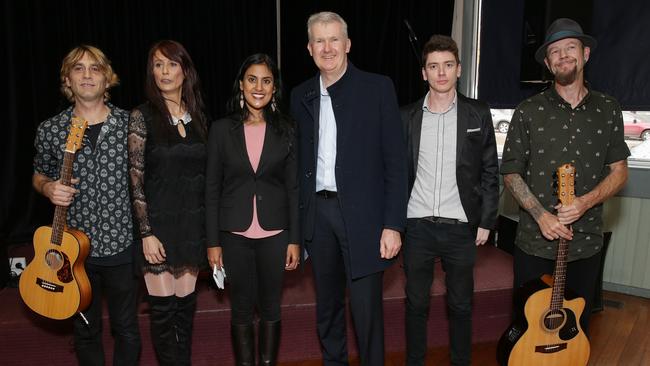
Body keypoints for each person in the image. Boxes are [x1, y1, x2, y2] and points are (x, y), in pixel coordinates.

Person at [290, 11, 408, 365]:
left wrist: (393, 224)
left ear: (348, 45)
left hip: (365, 219)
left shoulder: (378, 88)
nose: (328, 48)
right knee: (327, 309)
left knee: (366, 312)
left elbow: (396, 163)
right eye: (320, 41)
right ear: (310, 48)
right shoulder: (300, 95)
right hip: (318, 217)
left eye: (334, 39)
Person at [501, 18, 630, 333]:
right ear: (547, 63)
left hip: (586, 243)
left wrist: (585, 202)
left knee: (575, 328)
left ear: (585, 54)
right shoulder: (527, 111)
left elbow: (620, 171)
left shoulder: (609, 109)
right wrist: (541, 215)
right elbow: (510, 172)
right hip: (535, 242)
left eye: (570, 48)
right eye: (554, 52)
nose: (562, 56)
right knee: (526, 327)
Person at [33, 45, 141, 365]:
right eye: (78, 69)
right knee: (85, 330)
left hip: (122, 245)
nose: (88, 75)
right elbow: (38, 174)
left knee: (126, 328)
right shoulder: (50, 130)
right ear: (67, 80)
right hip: (72, 252)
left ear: (108, 80)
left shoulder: (131, 124)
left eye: (95, 68)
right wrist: (48, 187)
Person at [401, 35, 499, 366]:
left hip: (461, 228)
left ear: (458, 69)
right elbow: (396, 174)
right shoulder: (407, 117)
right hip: (417, 227)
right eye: (433, 66)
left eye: (447, 65)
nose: (441, 73)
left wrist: (487, 220)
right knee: (415, 305)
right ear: (423, 73)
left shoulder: (477, 113)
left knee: (460, 305)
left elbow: (490, 171)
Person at [205, 53, 299, 366]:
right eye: (252, 79)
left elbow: (293, 188)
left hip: (276, 233)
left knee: (271, 306)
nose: (259, 87)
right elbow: (212, 189)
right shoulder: (220, 130)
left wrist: (295, 240)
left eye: (267, 80)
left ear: (274, 88)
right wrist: (212, 242)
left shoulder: (287, 129)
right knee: (241, 308)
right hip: (233, 234)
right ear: (241, 85)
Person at [128, 40, 207, 365]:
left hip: (191, 228)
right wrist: (146, 233)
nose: (164, 71)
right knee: (163, 315)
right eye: (157, 65)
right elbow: (134, 180)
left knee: (185, 314)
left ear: (184, 70)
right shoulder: (141, 117)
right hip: (157, 231)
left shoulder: (199, 117)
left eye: (171, 64)